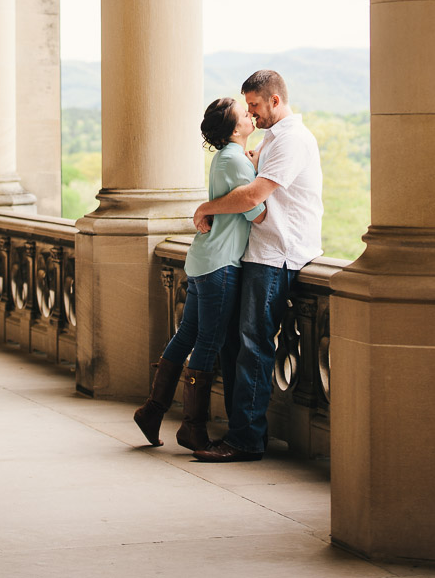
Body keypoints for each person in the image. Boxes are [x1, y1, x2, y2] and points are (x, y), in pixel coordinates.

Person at [192, 69, 323, 463]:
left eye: (254, 106)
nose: (251, 114)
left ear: (275, 101)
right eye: (246, 107)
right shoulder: (273, 139)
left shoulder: (292, 140)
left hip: (278, 255)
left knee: (253, 345)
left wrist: (206, 207)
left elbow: (253, 197)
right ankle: (240, 431)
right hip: (259, 253)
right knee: (238, 343)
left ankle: (246, 439)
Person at [134, 97, 266, 451]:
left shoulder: (226, 158)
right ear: (236, 128)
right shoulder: (236, 161)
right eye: (244, 114)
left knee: (187, 335)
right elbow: (258, 213)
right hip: (221, 264)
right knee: (208, 343)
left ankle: (152, 410)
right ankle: (191, 427)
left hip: (204, 261)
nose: (250, 115)